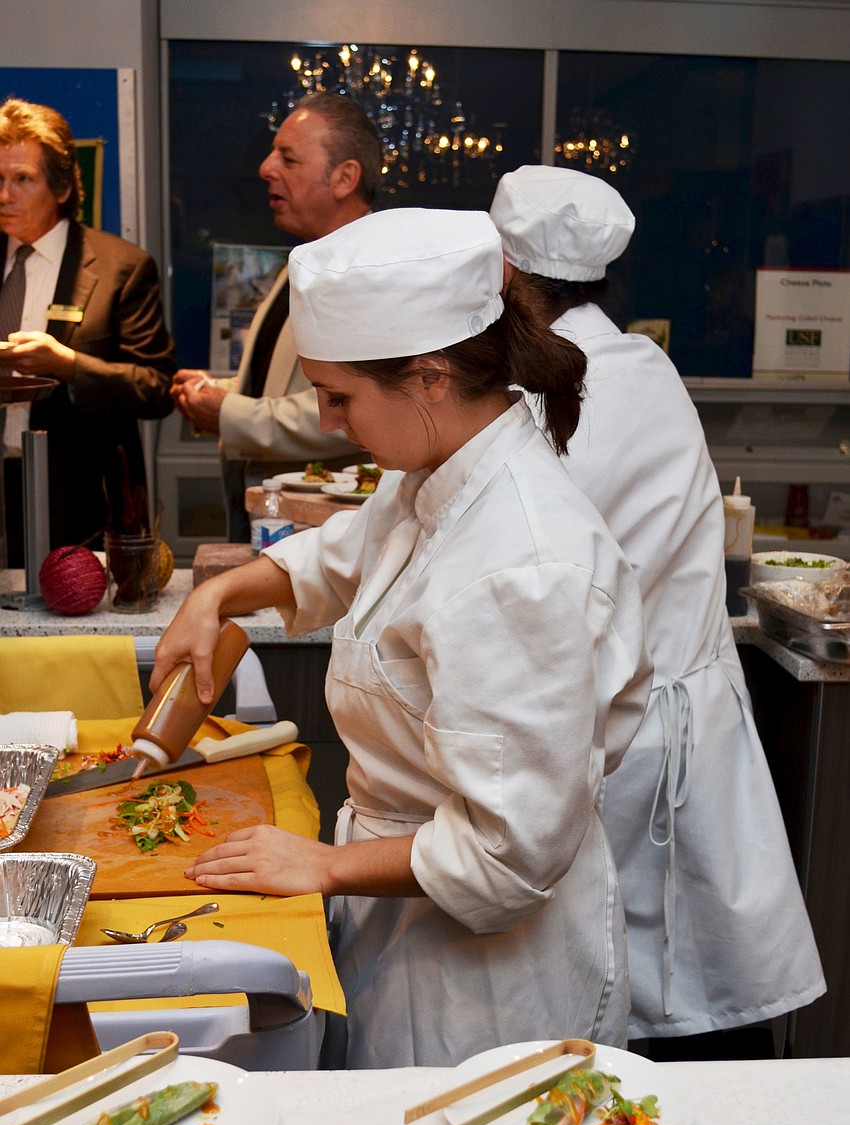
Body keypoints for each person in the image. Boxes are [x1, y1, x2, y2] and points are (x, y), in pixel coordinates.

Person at [151, 207, 652, 1070]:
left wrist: (326, 865)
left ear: (427, 377)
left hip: (487, 978)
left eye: (339, 396)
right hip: (413, 919)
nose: (330, 421)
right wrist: (224, 592)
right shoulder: (439, 471)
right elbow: (347, 552)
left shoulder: (519, 563)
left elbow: (506, 851)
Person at [490, 165, 825, 1056]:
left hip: (635, 734)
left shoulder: (569, 390)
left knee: (656, 1005)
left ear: (509, 277)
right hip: (662, 721)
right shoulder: (640, 364)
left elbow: (526, 558)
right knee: (670, 986)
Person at [170, 94, 383, 540]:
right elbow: (288, 383)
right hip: (276, 519)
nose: (266, 168)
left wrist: (228, 412)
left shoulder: (371, 272)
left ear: (345, 177)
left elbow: (354, 411)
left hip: (328, 533)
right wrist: (217, 392)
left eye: (287, 158)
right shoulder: (305, 259)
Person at [0, 97, 175, 558]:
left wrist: (70, 366)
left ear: (60, 188)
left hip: (79, 505)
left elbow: (155, 388)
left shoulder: (121, 268)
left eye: (22, 179)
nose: (3, 194)